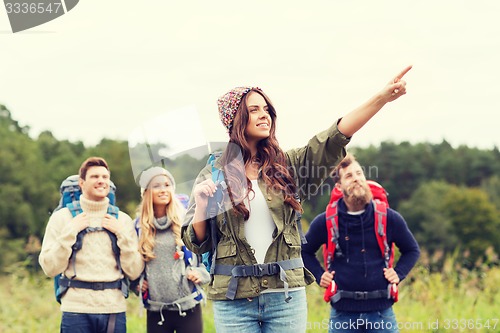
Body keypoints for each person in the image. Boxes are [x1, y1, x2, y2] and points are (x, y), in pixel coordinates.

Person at [182, 65, 413, 333]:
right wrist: (200, 205)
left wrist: (381, 98)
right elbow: (196, 244)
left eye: (266, 109)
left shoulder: (288, 166)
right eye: (254, 110)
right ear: (235, 119)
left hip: (285, 296)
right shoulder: (213, 174)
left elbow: (333, 137)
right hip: (233, 299)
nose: (264, 115)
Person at [301, 153, 420, 333]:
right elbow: (304, 251)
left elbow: (412, 250)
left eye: (359, 173)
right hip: (342, 314)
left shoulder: (388, 217)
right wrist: (319, 275)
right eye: (349, 176)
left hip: (382, 313)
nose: (356, 179)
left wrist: (399, 273)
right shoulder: (325, 221)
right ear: (339, 187)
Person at [39, 156, 144, 333]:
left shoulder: (123, 220)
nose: (101, 181)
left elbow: (134, 271)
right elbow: (49, 267)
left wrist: (122, 235)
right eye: (95, 176)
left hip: (113, 309)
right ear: (81, 183)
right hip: (75, 310)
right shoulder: (62, 218)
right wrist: (70, 232)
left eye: (105, 177)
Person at [133, 166, 210, 333]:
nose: (163, 190)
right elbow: (129, 262)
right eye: (157, 186)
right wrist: (135, 284)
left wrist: (201, 273)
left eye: (167, 185)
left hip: (188, 306)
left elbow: (206, 254)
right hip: (156, 310)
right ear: (146, 192)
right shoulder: (138, 227)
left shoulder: (186, 221)